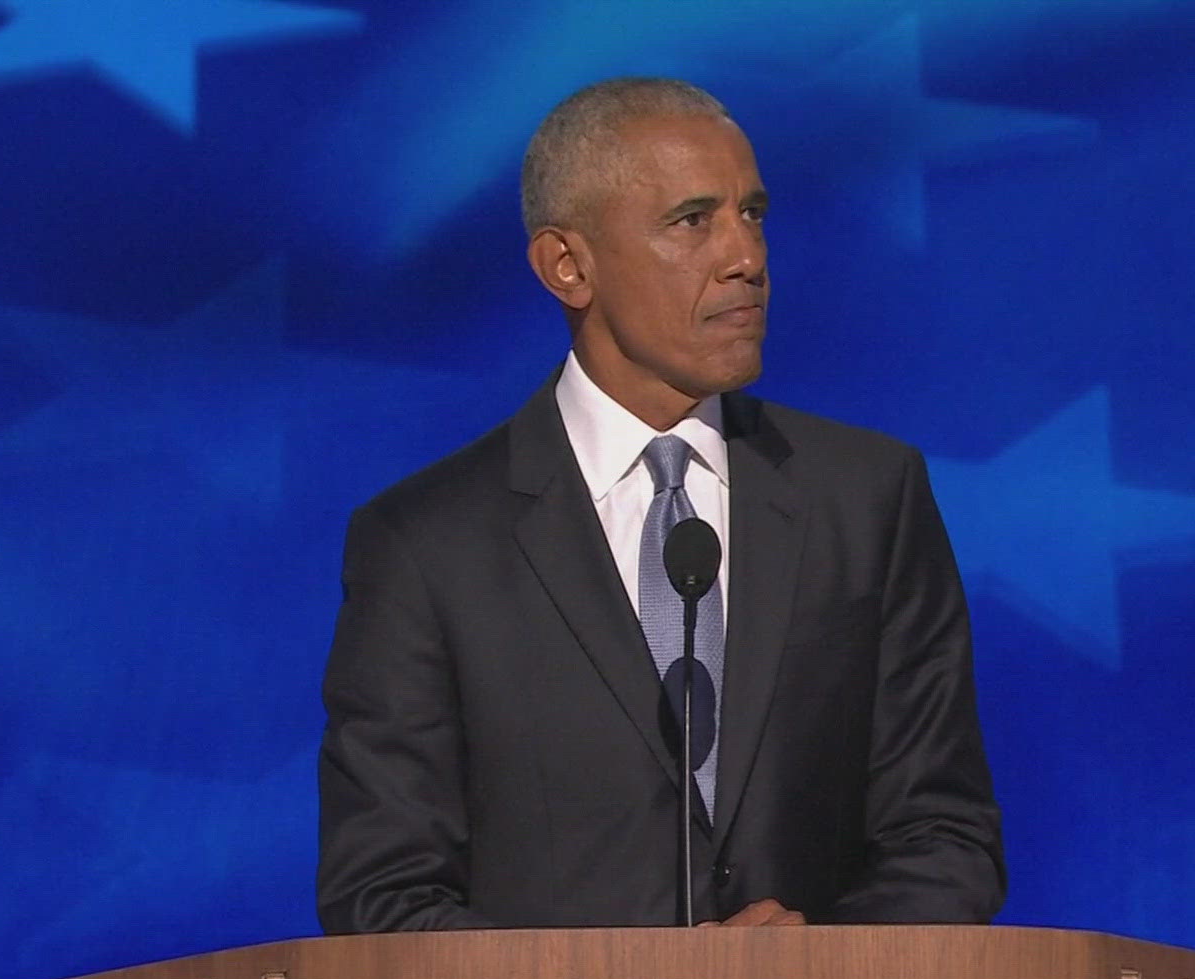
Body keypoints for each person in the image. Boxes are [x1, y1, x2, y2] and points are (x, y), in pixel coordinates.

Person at [317, 77, 1004, 932]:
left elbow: (944, 834)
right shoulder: (426, 546)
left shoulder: (866, 499)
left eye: (751, 213)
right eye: (692, 220)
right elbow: (384, 894)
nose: (745, 257)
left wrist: (824, 969)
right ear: (568, 266)